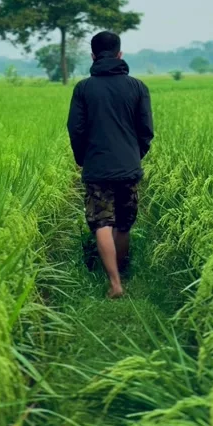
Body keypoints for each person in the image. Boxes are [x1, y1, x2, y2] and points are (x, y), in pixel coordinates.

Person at [67, 31, 154, 298]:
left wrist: (83, 159)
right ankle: (122, 270)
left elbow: (76, 129)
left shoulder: (83, 88)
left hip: (97, 167)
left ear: (93, 56)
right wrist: (133, 155)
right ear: (120, 54)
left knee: (101, 222)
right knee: (124, 223)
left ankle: (114, 283)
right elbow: (146, 130)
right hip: (128, 166)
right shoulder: (138, 87)